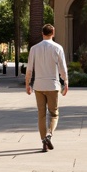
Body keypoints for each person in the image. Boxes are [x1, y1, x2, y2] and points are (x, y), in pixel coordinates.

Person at [25, 24, 69, 152]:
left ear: (42, 33)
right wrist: (65, 82)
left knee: (41, 115)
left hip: (38, 85)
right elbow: (63, 67)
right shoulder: (58, 48)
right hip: (52, 85)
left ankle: (44, 141)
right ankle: (48, 135)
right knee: (54, 113)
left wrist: (28, 84)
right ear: (53, 33)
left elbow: (29, 69)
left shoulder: (34, 48)